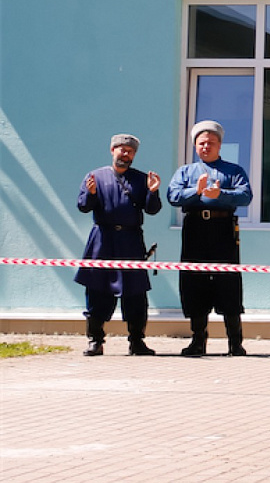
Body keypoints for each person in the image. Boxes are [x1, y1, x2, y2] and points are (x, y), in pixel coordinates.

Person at [167, 120, 253, 357]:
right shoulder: (186, 172)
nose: (206, 147)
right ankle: (197, 340)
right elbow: (173, 196)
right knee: (194, 281)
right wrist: (195, 191)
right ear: (195, 146)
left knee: (228, 282)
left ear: (219, 145)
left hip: (223, 228)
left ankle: (235, 342)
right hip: (195, 228)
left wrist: (220, 194)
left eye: (211, 143)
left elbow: (245, 196)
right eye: (201, 143)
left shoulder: (233, 170)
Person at [74, 133, 162, 356]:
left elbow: (152, 209)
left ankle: (137, 341)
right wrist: (92, 193)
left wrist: (153, 191)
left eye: (130, 151)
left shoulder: (142, 179)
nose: (125, 153)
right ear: (112, 150)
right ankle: (95, 340)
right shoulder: (95, 176)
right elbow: (83, 206)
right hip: (102, 241)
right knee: (96, 290)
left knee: (135, 293)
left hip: (130, 241)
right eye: (121, 149)